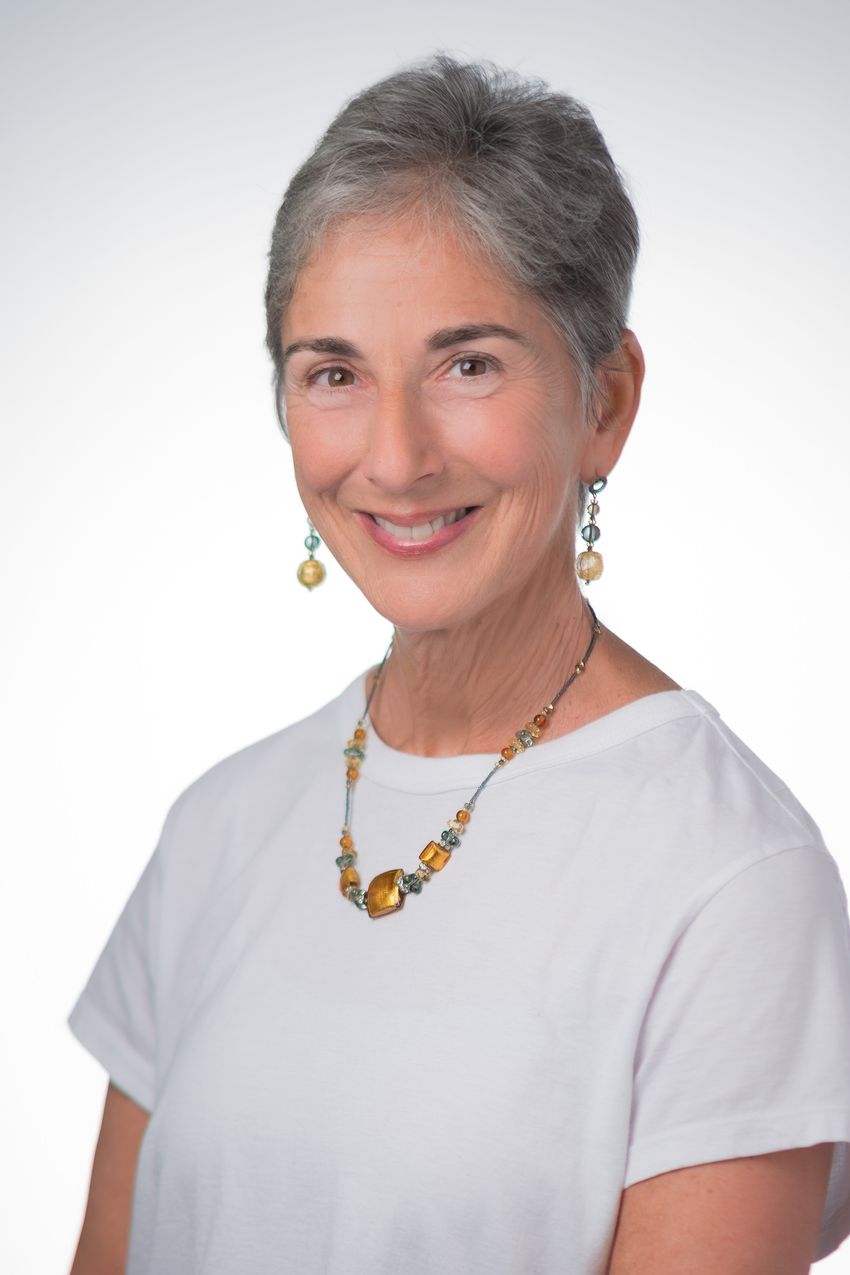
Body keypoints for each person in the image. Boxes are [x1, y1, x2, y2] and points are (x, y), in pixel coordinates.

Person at [68, 53, 850, 1275]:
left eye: (467, 364)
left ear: (605, 401)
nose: (393, 457)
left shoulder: (731, 884)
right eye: (333, 373)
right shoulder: (217, 827)